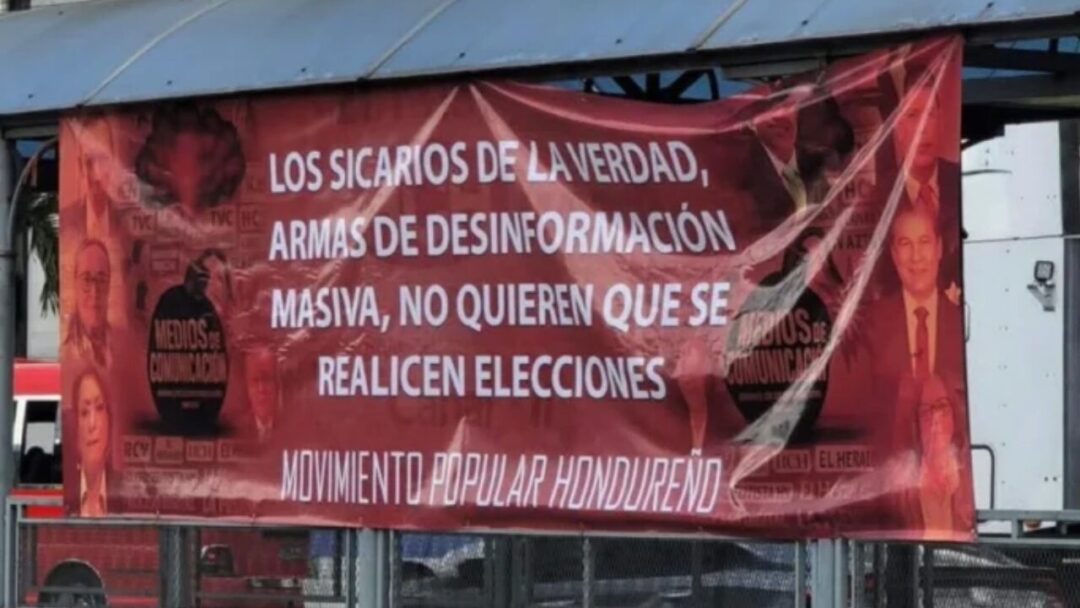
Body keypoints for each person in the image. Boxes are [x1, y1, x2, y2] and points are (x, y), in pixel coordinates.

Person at [862, 202, 971, 536]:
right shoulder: (871, 325)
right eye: (905, 244)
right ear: (893, 255)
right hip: (890, 500)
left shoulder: (963, 318)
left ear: (939, 248)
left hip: (953, 493)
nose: (916, 257)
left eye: (924, 242)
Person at [64, 239, 111, 368]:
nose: (94, 292)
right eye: (86, 279)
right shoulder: (67, 354)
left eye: (101, 280)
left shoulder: (121, 347)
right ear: (75, 284)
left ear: (109, 285)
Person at [72, 368, 111, 517]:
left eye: (99, 408)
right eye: (84, 412)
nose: (92, 424)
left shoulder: (125, 489)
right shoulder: (68, 489)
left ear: (109, 418)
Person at [244, 346, 281, 441]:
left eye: (266, 379)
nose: (261, 389)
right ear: (247, 386)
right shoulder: (234, 429)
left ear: (277, 384)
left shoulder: (291, 426)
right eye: (255, 380)